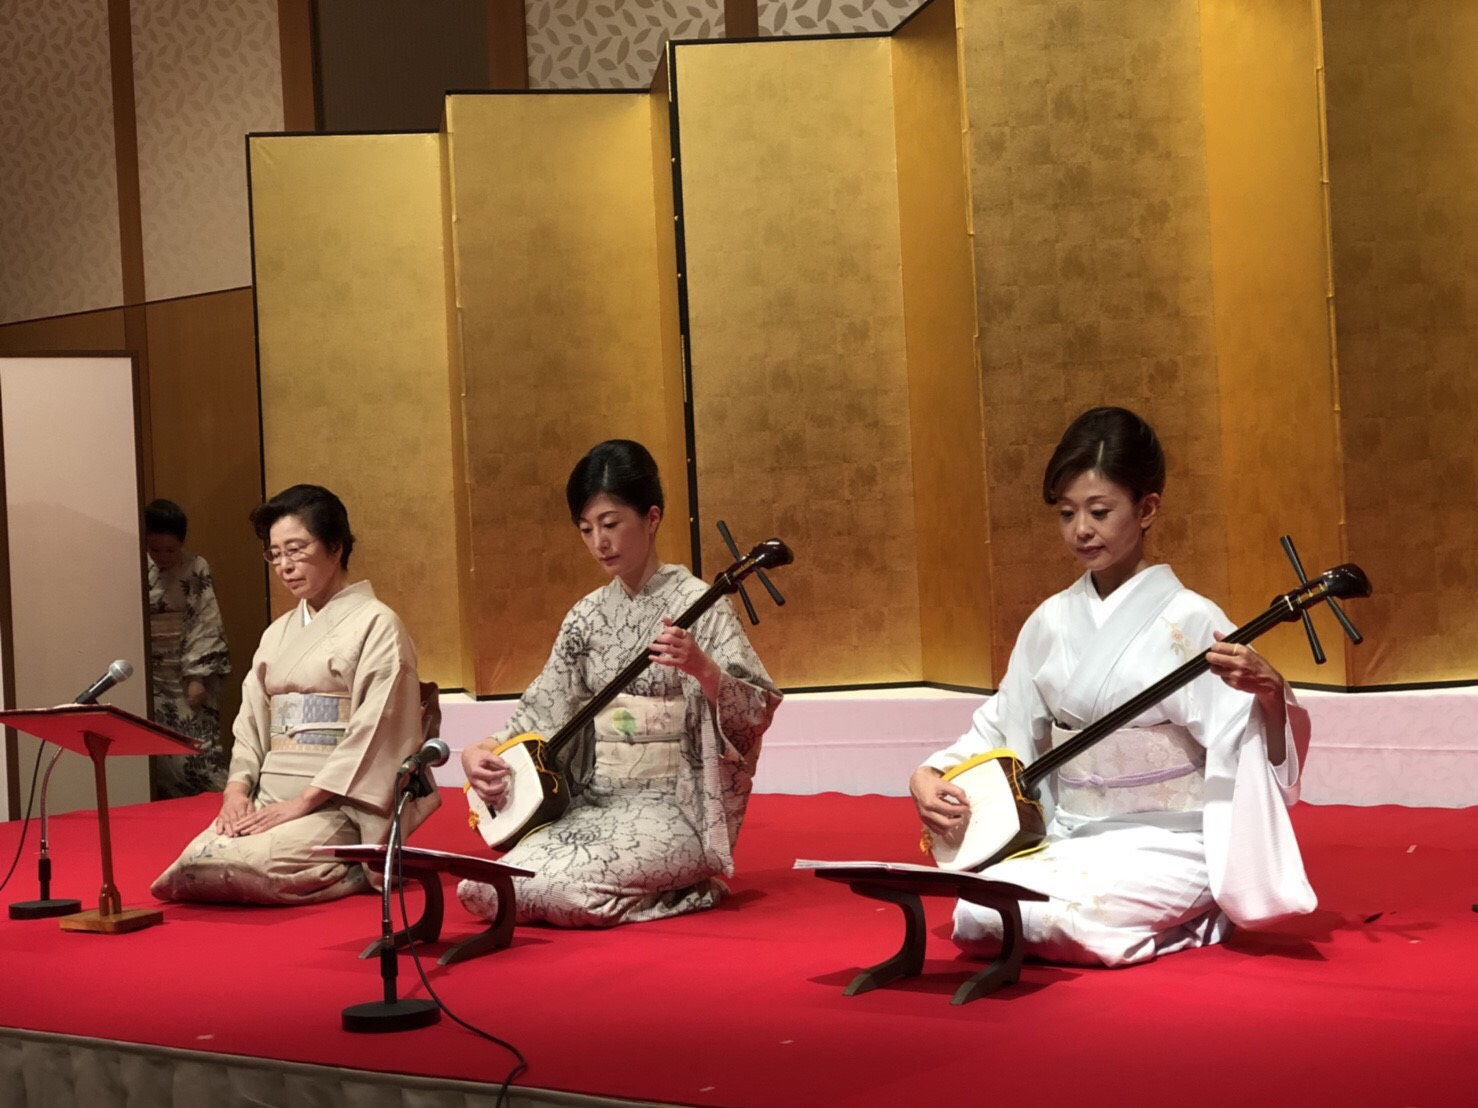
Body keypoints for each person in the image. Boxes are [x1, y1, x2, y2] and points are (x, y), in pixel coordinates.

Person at [910, 407, 1314, 967]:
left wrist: (1269, 695)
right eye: (1066, 513)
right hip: (1074, 833)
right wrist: (932, 773)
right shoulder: (1050, 622)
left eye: (1099, 511)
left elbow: (1241, 746)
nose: (1081, 529)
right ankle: (1157, 922)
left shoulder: (1190, 619)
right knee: (979, 916)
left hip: (1171, 840)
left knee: (1060, 921)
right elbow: (1003, 725)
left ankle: (1197, 917)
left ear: (1147, 509)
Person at [458, 440, 781, 927]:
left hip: (675, 808)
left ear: (651, 518)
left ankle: (688, 889)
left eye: (610, 524)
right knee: (482, 889)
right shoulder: (585, 617)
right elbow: (544, 710)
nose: (599, 543)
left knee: (561, 892)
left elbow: (754, 712)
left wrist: (704, 669)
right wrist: (482, 750)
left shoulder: (703, 605)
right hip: (596, 801)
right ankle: (656, 890)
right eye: (586, 529)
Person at [151, 485, 439, 904]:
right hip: (269, 798)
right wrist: (236, 793)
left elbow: (375, 730)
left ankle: (357, 861)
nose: (284, 566)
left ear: (335, 547)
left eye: (296, 550)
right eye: (275, 554)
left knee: (251, 866)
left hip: (338, 803)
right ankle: (322, 860)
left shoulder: (378, 624)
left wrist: (303, 802)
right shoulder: (277, 633)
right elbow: (252, 721)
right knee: (195, 863)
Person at [143, 499, 232, 798]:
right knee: (155, 755)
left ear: (181, 542)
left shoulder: (195, 567)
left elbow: (205, 620)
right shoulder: (135, 567)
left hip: (184, 670)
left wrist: (196, 676)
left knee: (197, 754)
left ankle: (222, 804)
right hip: (149, 674)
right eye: (155, 549)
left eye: (170, 550)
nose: (163, 557)